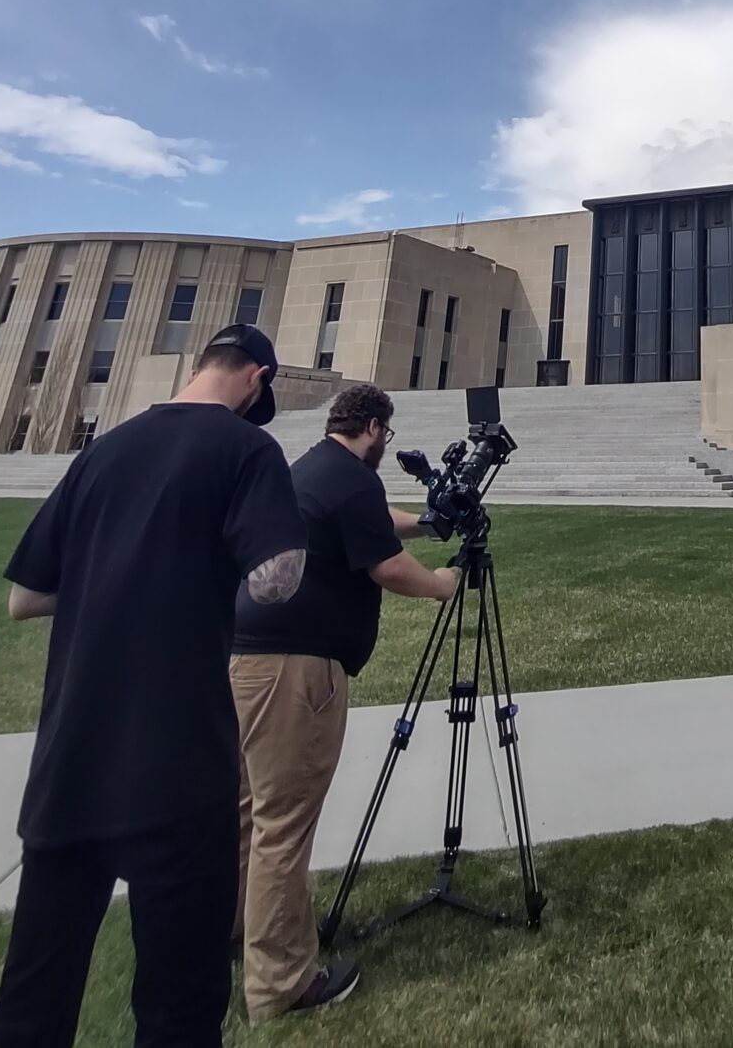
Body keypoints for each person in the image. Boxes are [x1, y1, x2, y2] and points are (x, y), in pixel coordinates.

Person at [0, 323, 307, 1048]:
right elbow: (277, 578)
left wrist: (117, 581)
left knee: (31, 1003)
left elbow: (26, 597)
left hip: (71, 760)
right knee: (179, 1005)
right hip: (177, 766)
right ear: (256, 377)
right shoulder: (247, 447)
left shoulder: (104, 450)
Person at [229, 382, 458, 1019]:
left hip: (246, 657)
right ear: (377, 428)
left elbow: (370, 522)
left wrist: (429, 522)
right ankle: (281, 982)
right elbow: (387, 565)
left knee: (248, 812)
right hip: (297, 669)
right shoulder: (354, 477)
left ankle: (236, 931)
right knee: (284, 822)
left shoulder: (313, 468)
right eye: (386, 433)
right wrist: (442, 583)